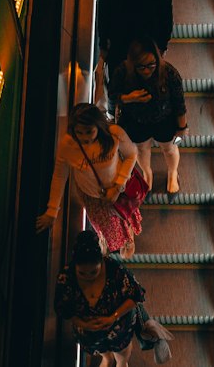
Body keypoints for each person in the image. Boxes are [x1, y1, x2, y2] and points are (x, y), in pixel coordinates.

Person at [36, 103, 142, 257]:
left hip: (119, 189)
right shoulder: (68, 145)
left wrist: (119, 185)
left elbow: (132, 154)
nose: (84, 138)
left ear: (98, 126)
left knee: (122, 215)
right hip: (90, 195)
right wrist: (52, 211)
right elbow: (59, 175)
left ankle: (127, 239)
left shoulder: (113, 134)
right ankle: (108, 239)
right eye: (79, 132)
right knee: (103, 224)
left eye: (89, 132)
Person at [54, 230, 145, 367]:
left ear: (101, 262)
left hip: (118, 325)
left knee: (122, 354)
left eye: (94, 272)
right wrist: (84, 324)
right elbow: (63, 309)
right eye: (82, 273)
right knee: (103, 352)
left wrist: (113, 317)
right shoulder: (66, 277)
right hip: (89, 332)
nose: (88, 277)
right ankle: (107, 359)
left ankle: (121, 363)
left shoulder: (115, 270)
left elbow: (136, 295)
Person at [109, 37, 187, 194]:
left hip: (164, 118)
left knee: (170, 148)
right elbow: (112, 95)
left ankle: (172, 172)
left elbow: (179, 102)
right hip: (135, 119)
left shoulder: (168, 72)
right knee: (141, 149)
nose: (146, 70)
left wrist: (182, 127)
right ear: (132, 63)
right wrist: (130, 97)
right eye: (141, 66)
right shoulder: (122, 71)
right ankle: (147, 172)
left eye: (151, 65)